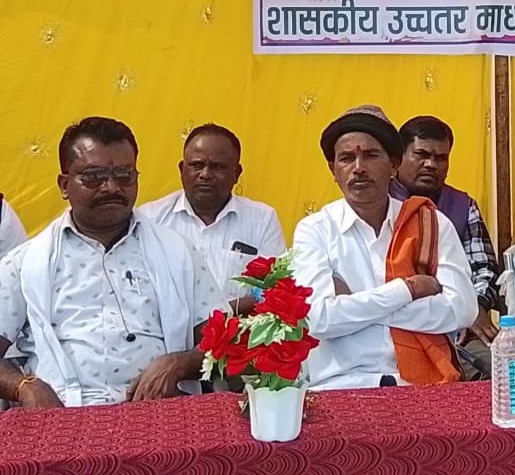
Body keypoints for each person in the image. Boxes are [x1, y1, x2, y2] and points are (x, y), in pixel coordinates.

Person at [0, 117, 223, 408]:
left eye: (124, 175)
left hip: (159, 412)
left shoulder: (177, 252)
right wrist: (23, 387)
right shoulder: (26, 263)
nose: (110, 187)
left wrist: (180, 364)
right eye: (94, 176)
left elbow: (225, 342)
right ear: (64, 185)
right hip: (62, 414)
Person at [291, 107, 476, 390]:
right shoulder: (315, 230)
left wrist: (355, 303)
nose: (358, 168)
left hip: (421, 386)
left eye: (371, 155)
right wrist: (407, 290)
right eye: (346, 158)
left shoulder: (431, 223)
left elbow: (462, 310)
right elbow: (318, 320)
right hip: (340, 386)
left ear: (394, 165)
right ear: (333, 170)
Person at [395, 115, 501, 381]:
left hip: (461, 327)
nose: (431, 164)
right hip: (398, 326)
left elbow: (485, 269)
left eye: (441, 158)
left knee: (504, 368)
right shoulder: (382, 206)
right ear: (398, 158)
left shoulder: (463, 206)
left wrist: (475, 307)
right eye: (421, 155)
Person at [139, 124, 285, 313]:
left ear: (236, 173)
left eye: (218, 167)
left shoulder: (262, 219)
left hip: (240, 328)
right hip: (168, 329)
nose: (205, 175)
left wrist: (218, 316)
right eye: (197, 165)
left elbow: (274, 289)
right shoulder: (150, 218)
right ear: (182, 169)